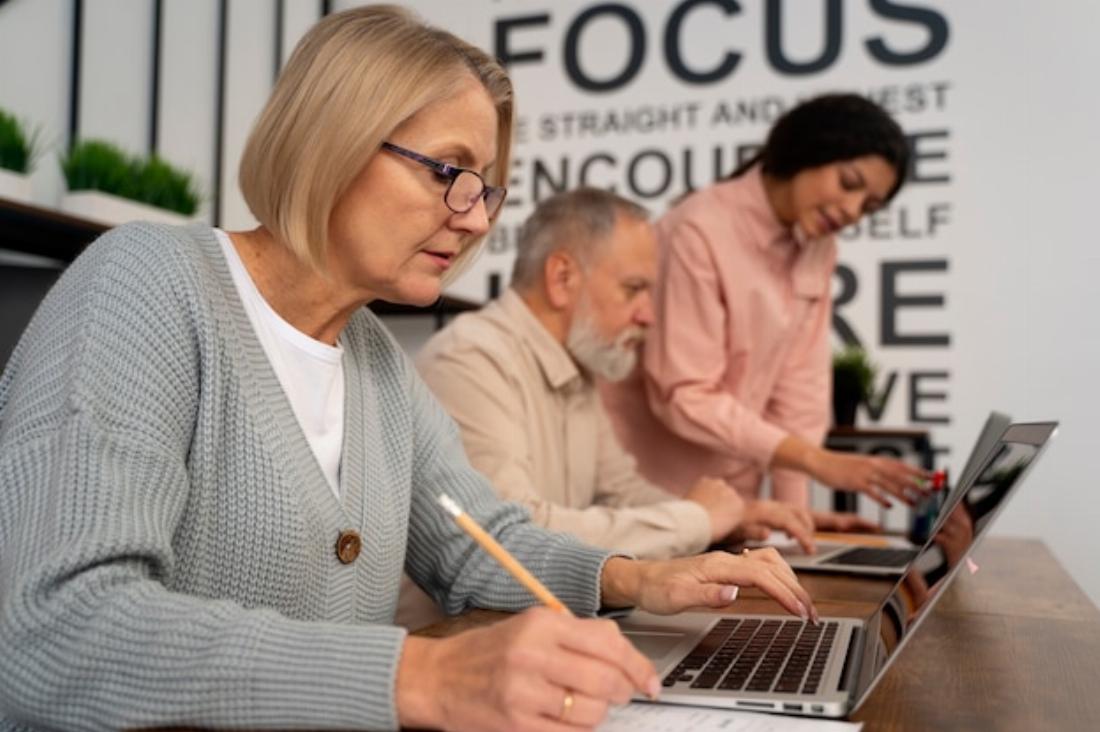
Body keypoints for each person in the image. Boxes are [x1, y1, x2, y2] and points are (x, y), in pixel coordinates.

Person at [0, 7, 815, 731]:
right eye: (447, 171)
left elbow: (478, 543)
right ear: (332, 137)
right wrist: (418, 676)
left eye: (488, 188)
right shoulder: (146, 282)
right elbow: (55, 628)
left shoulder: (376, 359)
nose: (471, 217)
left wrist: (638, 578)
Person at [415, 187, 819, 562]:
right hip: (455, 633)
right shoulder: (470, 360)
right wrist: (696, 520)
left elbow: (622, 492)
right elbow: (510, 535)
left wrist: (728, 518)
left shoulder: (580, 365)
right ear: (562, 279)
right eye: (633, 289)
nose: (649, 316)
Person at [601, 93, 931, 519]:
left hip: (739, 499)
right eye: (849, 183)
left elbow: (800, 399)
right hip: (654, 497)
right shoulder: (698, 229)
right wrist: (818, 463)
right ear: (808, 149)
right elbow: (684, 395)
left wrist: (795, 526)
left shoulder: (819, 249)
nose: (852, 210)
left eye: (868, 207)